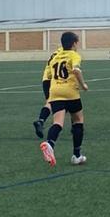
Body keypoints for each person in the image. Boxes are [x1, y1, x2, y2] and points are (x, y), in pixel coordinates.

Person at [39, 32, 88, 167]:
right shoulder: (74, 55)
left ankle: (49, 144)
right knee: (78, 120)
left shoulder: (55, 57)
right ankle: (76, 155)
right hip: (70, 92)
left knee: (58, 123)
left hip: (55, 92)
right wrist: (83, 85)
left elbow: (48, 75)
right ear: (74, 43)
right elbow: (77, 70)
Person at [34, 46, 62, 138]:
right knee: (69, 101)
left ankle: (41, 120)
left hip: (46, 79)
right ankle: (74, 127)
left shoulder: (55, 52)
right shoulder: (65, 53)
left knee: (49, 102)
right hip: (57, 80)